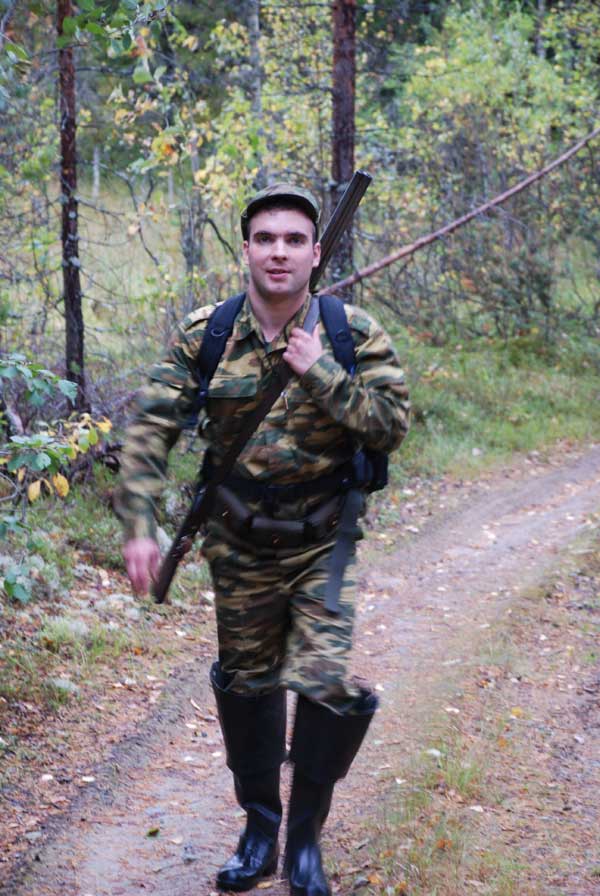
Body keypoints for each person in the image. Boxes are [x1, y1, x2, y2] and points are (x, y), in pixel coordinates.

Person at [114, 183, 410, 896]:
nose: (280, 252)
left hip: (323, 541)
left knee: (325, 681)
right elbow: (150, 429)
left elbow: (391, 425)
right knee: (247, 684)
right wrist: (140, 524)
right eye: (266, 239)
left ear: (315, 253)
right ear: (246, 249)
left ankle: (304, 841)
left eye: (294, 240)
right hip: (239, 543)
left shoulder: (351, 333)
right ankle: (259, 829)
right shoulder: (208, 333)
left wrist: (323, 372)